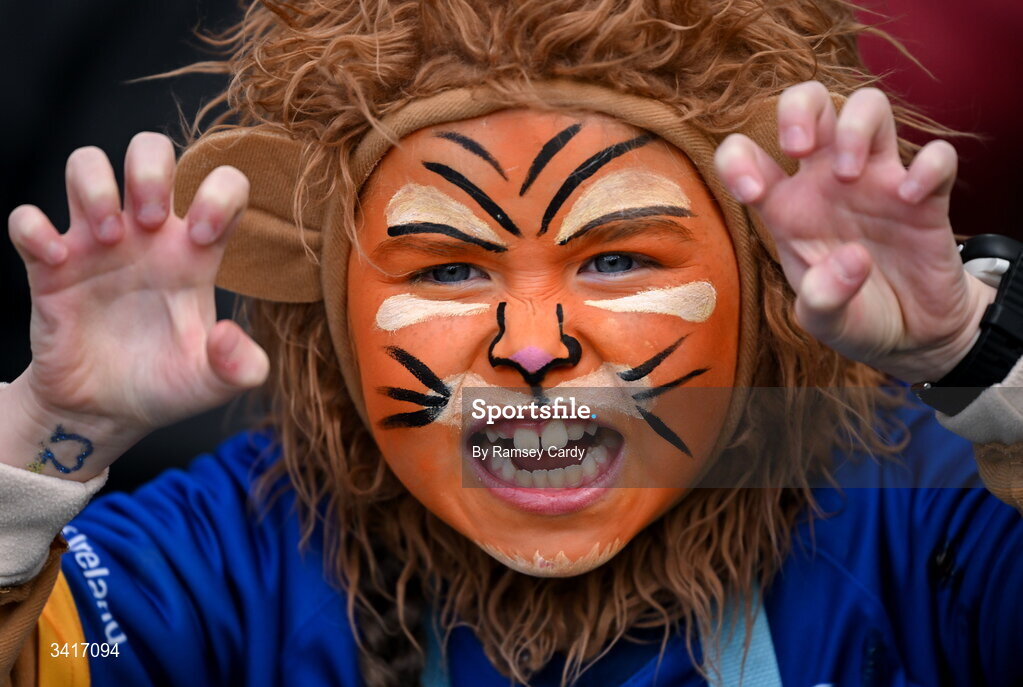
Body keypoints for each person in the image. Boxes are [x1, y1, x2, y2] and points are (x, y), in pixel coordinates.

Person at [2, 1, 1022, 685]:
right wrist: (49, 439)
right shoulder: (244, 551)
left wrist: (974, 354)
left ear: (764, 266)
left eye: (618, 259)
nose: (532, 347)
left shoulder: (910, 514)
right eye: (447, 269)